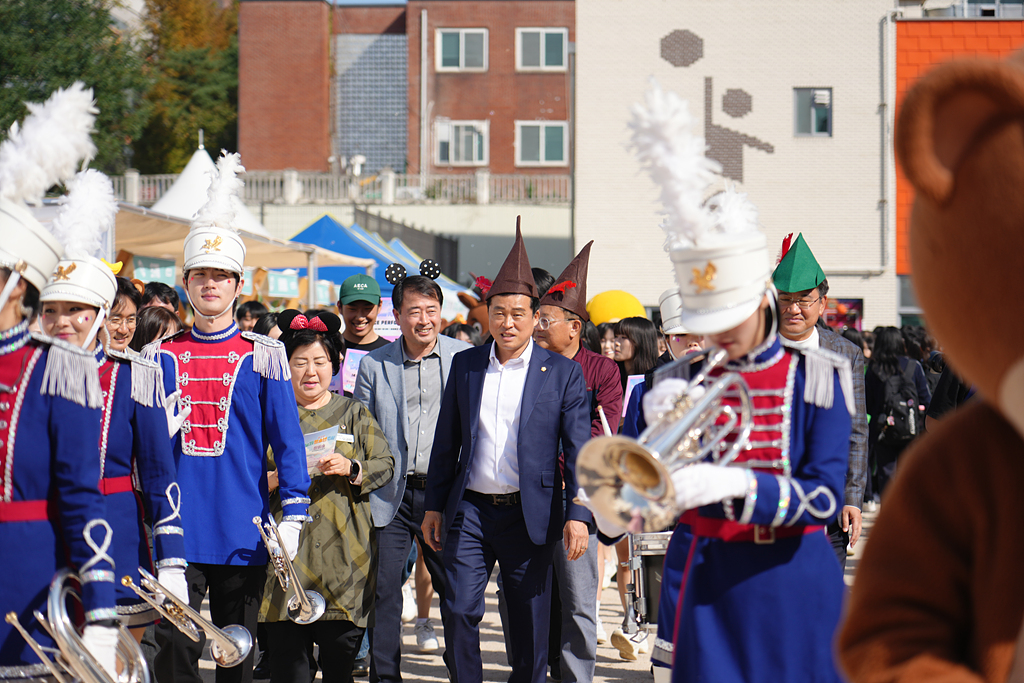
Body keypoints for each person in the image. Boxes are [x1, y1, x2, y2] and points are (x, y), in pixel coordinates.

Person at [594, 83, 854, 683]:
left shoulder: (820, 377)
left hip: (791, 576)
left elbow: (822, 495)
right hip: (704, 577)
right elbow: (631, 482)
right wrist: (612, 504)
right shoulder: (673, 380)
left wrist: (731, 481)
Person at [149, 151, 311, 683]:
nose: (211, 284)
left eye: (222, 276)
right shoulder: (160, 359)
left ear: (238, 285)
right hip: (176, 528)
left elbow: (288, 443)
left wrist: (293, 513)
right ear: (186, 283)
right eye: (201, 276)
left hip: (243, 529)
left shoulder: (264, 354)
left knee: (235, 657)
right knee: (172, 649)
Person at [421, 224, 591, 683]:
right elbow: (447, 440)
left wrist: (578, 513)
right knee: (457, 610)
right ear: (488, 316)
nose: (507, 322)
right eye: (499, 313)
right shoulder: (467, 364)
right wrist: (434, 504)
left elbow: (579, 450)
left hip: (529, 513)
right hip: (469, 511)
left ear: (536, 317)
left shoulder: (560, 374)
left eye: (518, 313)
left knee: (530, 624)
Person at [0, 82, 121, 677]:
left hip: (23, 590)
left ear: (17, 281)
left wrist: (99, 609)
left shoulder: (60, 369)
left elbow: (79, 495)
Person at [38, 170, 189, 640]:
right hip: (44, 528)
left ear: (100, 315)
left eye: (76, 310)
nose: (64, 321)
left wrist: (171, 560)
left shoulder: (134, 375)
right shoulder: (30, 372)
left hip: (116, 527)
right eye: (52, 310)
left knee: (120, 660)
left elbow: (160, 475)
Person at [260, 309, 394, 683]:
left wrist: (352, 468)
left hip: (344, 559)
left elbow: (385, 463)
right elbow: (241, 473)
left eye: (319, 361)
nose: (310, 371)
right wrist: (270, 479)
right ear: (285, 366)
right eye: (299, 362)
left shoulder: (353, 412)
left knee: (340, 667)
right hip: (286, 562)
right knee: (290, 670)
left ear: (335, 364)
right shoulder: (268, 413)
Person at [353, 267, 471, 682]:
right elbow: (361, 427)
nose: (424, 319)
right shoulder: (374, 364)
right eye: (415, 311)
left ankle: (463, 673)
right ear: (397, 315)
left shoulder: (463, 358)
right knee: (384, 593)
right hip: (392, 495)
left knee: (457, 594)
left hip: (447, 496)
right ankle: (385, 678)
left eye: (432, 309)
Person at [532, 241, 623, 683]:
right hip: (529, 493)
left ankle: (575, 676)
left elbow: (603, 433)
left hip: (577, 495)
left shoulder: (601, 371)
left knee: (579, 599)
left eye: (544, 320)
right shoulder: (526, 365)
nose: (535, 327)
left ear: (574, 326)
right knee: (532, 599)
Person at [771, 233, 869, 568]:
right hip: (769, 500)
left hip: (827, 500)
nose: (794, 309)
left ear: (822, 304)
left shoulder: (846, 353)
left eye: (804, 300)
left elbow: (857, 431)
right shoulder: (756, 350)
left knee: (824, 604)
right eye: (785, 299)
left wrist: (853, 497)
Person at [865, 326, 931, 497]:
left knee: (886, 473)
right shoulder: (913, 366)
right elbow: (926, 399)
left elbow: (868, 403)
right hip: (911, 428)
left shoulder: (874, 369)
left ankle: (889, 514)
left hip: (882, 429)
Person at [338, 274, 390, 355]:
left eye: (367, 309)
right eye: (352, 309)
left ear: (379, 306)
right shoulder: (329, 349)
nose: (360, 317)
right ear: (339, 307)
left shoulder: (391, 352)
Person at [106, 276, 143, 353]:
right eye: (116, 320)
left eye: (131, 320)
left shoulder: (139, 362)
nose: (124, 330)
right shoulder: (78, 362)